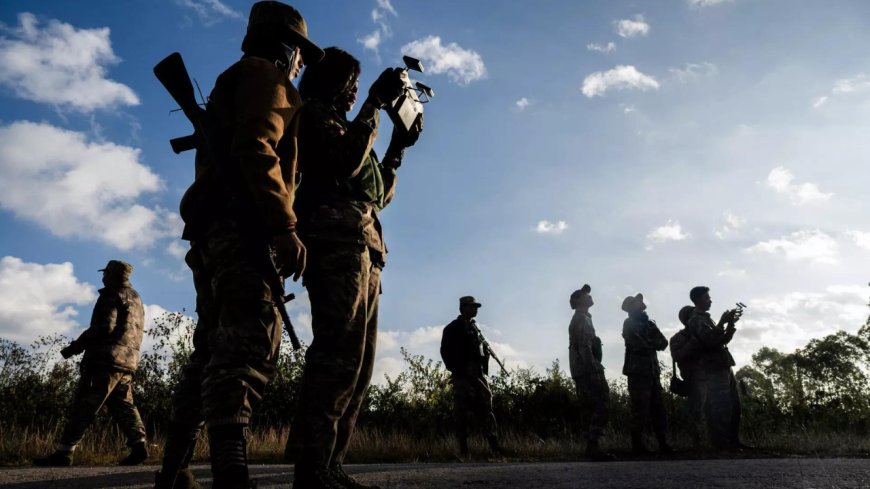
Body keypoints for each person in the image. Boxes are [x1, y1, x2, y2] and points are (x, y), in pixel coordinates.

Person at [154, 3, 323, 488]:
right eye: (300, 54)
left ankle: (174, 470)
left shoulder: (238, 78)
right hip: (243, 228)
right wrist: (285, 226)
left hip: (215, 232)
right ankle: (232, 472)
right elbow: (256, 148)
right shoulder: (266, 78)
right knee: (247, 347)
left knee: (209, 350)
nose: (300, 64)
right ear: (286, 46)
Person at [286, 47, 422, 489]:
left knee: (358, 364)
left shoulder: (347, 126)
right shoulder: (312, 116)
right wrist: (374, 107)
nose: (355, 91)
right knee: (336, 354)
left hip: (365, 248)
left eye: (359, 86)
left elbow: (376, 192)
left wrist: (398, 145)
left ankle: (330, 464)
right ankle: (311, 468)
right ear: (330, 82)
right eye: (351, 83)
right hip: (334, 243)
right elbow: (344, 161)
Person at [34, 260, 147, 467]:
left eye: (105, 274)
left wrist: (74, 348)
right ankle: (139, 446)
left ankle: (64, 453)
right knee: (124, 405)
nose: (102, 277)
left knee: (85, 405)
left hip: (105, 360)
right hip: (128, 362)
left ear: (111, 275)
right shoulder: (136, 298)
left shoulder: (111, 295)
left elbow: (103, 328)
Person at [440, 296, 503, 458]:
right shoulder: (453, 328)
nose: (476, 309)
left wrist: (484, 359)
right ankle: (464, 451)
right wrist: (457, 370)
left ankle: (495, 449)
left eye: (476, 306)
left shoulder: (475, 329)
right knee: (462, 413)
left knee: (486, 410)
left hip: (478, 375)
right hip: (462, 376)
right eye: (472, 306)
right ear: (463, 307)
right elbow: (445, 352)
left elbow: (477, 353)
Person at [686, 286, 748, 450]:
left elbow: (722, 340)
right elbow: (710, 341)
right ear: (698, 300)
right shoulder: (696, 321)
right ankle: (722, 443)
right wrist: (722, 322)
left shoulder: (707, 319)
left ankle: (733, 441)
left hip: (723, 365)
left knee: (734, 405)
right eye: (707, 298)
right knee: (721, 406)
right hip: (713, 368)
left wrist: (730, 325)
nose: (710, 300)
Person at [568, 285, 614, 461]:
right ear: (578, 300)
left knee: (588, 407)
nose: (589, 296)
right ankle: (593, 445)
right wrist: (594, 367)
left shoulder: (582, 318)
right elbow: (583, 346)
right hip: (588, 369)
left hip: (582, 369)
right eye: (585, 295)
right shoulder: (581, 319)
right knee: (603, 402)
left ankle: (591, 447)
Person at [620, 293, 671, 454]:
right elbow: (636, 344)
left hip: (652, 371)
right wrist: (651, 343)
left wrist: (648, 343)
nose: (641, 303)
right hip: (638, 373)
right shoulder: (629, 323)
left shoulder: (649, 324)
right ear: (630, 308)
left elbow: (663, 343)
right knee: (639, 410)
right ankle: (638, 446)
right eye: (636, 302)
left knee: (658, 409)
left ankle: (663, 444)